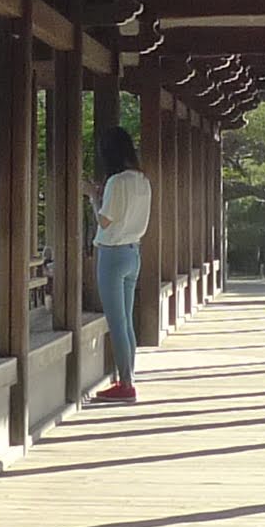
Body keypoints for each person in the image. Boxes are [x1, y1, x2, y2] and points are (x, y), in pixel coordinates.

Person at [87, 127, 153, 403]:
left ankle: (126, 384)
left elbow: (105, 221)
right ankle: (128, 377)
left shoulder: (116, 182)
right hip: (133, 252)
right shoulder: (142, 180)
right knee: (126, 321)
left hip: (112, 254)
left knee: (116, 321)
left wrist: (92, 195)